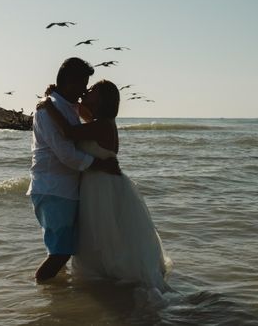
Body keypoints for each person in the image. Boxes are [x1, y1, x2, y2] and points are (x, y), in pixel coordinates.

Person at [39, 79, 171, 292]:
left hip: (101, 185)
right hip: (101, 182)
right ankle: (106, 281)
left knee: (103, 233)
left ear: (101, 99)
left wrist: (48, 105)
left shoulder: (102, 125)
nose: (86, 92)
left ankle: (106, 279)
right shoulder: (101, 121)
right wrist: (61, 97)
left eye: (92, 91)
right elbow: (81, 113)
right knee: (106, 232)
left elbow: (68, 132)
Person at [27, 58, 121, 283]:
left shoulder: (67, 106)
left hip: (68, 190)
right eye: (83, 85)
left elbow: (79, 128)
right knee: (61, 252)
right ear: (70, 82)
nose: (84, 91)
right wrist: (100, 164)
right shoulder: (46, 110)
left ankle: (58, 296)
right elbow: (67, 155)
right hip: (54, 189)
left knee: (66, 248)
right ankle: (42, 291)